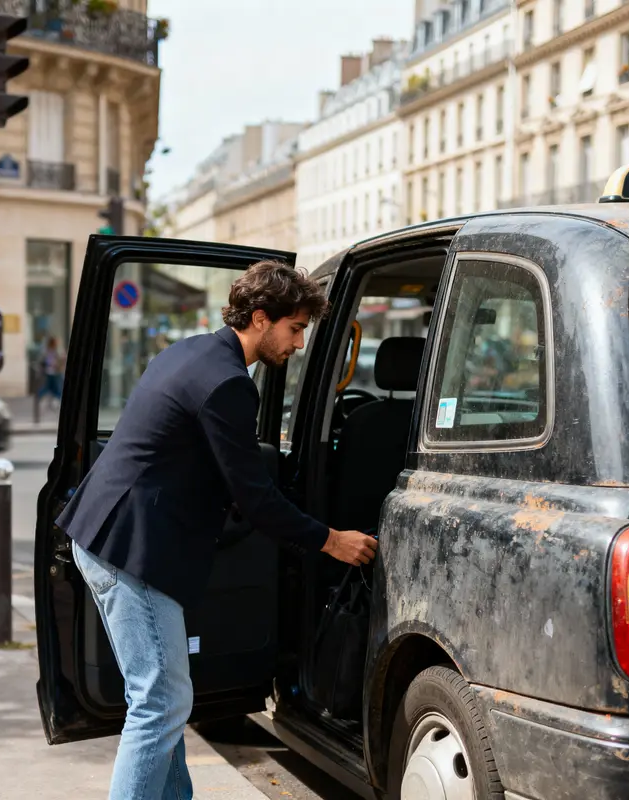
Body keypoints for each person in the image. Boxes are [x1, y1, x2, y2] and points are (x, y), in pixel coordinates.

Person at [57, 260, 378, 800]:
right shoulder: (228, 383)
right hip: (131, 549)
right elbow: (255, 498)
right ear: (261, 318)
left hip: (111, 535)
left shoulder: (190, 352)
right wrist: (332, 540)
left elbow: (205, 464)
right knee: (160, 704)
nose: (299, 343)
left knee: (160, 700)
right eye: (296, 328)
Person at [36, 336, 65, 410]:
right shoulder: (46, 351)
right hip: (48, 372)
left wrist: (58, 365)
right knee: (49, 386)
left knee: (55, 387)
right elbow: (42, 361)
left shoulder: (57, 351)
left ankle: (55, 401)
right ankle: (48, 400)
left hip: (56, 372)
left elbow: (62, 360)